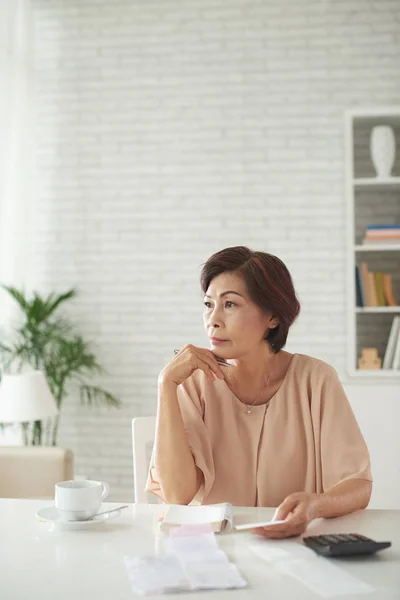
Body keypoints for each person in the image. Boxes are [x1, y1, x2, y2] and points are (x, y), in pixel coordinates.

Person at [146, 246, 372, 539]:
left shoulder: (316, 380)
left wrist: (316, 505)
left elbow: (358, 485)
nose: (212, 319)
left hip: (294, 548)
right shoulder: (191, 383)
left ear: (273, 318)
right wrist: (166, 384)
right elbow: (178, 495)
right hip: (213, 550)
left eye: (230, 305)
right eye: (208, 304)